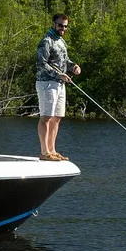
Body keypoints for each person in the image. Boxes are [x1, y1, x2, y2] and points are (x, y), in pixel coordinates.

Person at [36, 13, 81, 161]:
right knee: (46, 116)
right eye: (61, 25)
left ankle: (52, 150)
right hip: (46, 83)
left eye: (65, 26)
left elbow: (65, 61)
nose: (63, 28)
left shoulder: (61, 41)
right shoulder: (46, 41)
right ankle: (44, 152)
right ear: (53, 24)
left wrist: (73, 66)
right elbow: (41, 64)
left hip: (60, 84)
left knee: (57, 117)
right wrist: (58, 75)